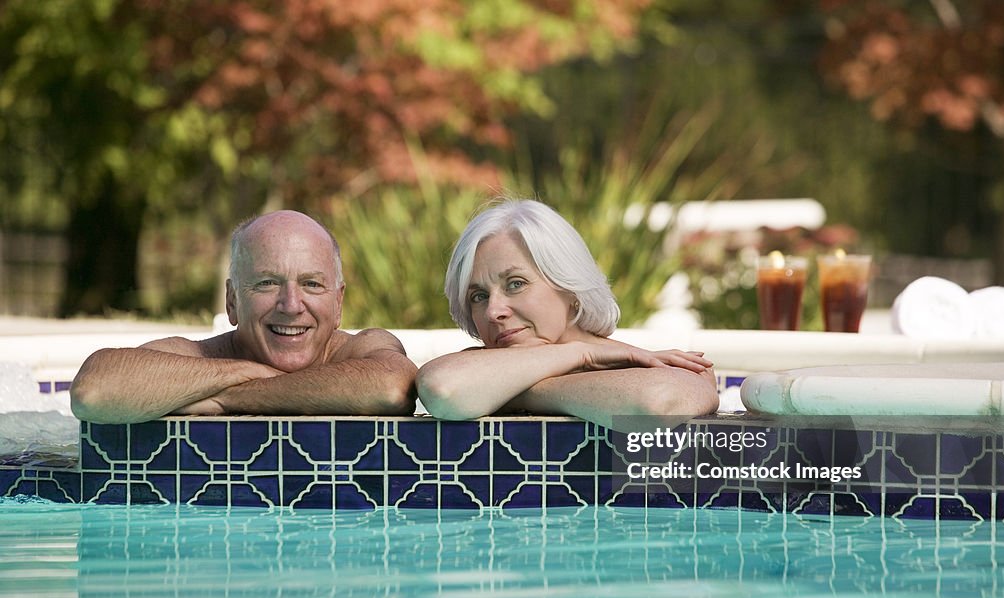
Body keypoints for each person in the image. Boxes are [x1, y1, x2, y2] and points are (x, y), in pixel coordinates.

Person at [71, 210, 417, 423]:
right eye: (267, 283)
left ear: (338, 303)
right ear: (232, 301)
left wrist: (229, 396)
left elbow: (391, 388)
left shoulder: (362, 348)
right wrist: (242, 370)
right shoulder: (203, 356)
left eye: (311, 284)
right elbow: (94, 391)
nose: (291, 304)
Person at [416, 199, 719, 428]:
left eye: (516, 284)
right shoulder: (482, 366)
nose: (493, 311)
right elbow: (441, 388)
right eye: (478, 296)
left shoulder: (654, 369)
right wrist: (578, 354)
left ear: (569, 287)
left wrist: (512, 392)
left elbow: (658, 405)